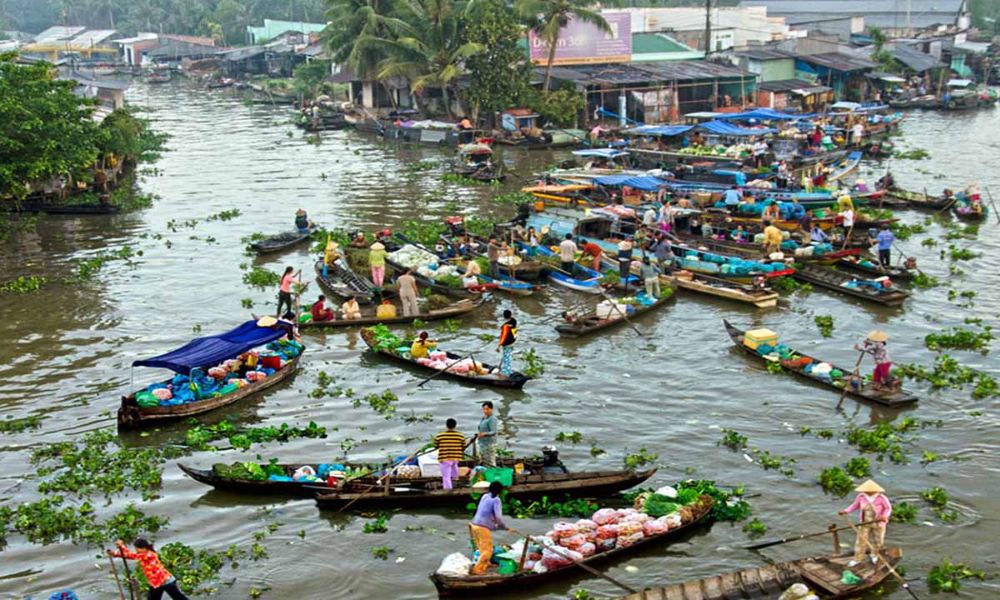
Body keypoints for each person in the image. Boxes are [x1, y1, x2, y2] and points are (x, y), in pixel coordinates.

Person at [109, 539, 191, 600]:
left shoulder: (148, 555)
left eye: (137, 548)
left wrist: (121, 546)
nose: (136, 550)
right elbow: (130, 555)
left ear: (143, 548)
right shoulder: (145, 554)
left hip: (165, 581)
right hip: (157, 582)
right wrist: (116, 553)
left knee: (178, 598)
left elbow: (132, 555)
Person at [838, 479, 892, 567]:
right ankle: (857, 559)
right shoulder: (861, 497)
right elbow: (855, 505)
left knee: (878, 540)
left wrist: (884, 516)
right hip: (864, 523)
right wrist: (846, 511)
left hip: (878, 523)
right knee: (861, 540)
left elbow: (888, 508)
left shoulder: (882, 498)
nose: (867, 492)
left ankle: (874, 555)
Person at [469, 480, 507, 575]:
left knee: (481, 546)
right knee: (488, 550)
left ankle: (487, 563)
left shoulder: (485, 496)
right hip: (482, 527)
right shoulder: (496, 500)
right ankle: (477, 569)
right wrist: (502, 525)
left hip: (474, 524)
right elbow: (498, 517)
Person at [434, 418, 465, 490]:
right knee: (454, 466)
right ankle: (455, 480)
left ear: (446, 426)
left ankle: (448, 490)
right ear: (455, 426)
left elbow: (436, 445)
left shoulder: (440, 436)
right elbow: (463, 445)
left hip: (445, 458)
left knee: (446, 477)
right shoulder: (460, 436)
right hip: (456, 458)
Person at [477, 401, 499, 467]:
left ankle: (492, 472)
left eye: (487, 409)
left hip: (489, 444)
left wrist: (484, 434)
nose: (485, 411)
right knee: (484, 460)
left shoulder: (492, 419)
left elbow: (493, 431)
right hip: (482, 443)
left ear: (491, 409)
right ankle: (486, 472)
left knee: (490, 461)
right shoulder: (484, 418)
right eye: (484, 409)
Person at [496, 309, 517, 377]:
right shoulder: (514, 321)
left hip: (507, 343)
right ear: (511, 315)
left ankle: (507, 372)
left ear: (504, 316)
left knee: (506, 357)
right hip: (512, 341)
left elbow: (504, 336)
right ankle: (507, 369)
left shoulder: (505, 326)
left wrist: (498, 346)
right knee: (508, 356)